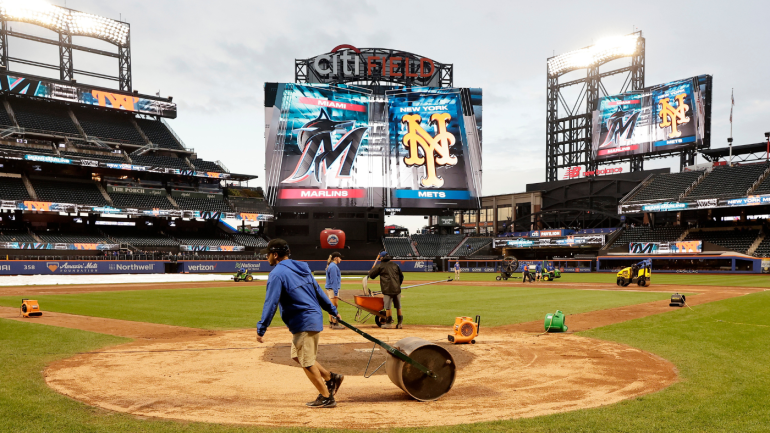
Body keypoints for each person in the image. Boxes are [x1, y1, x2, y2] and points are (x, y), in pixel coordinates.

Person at [255, 239, 344, 409]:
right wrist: (332, 310)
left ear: (275, 255)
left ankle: (327, 397)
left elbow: (271, 303)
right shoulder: (303, 269)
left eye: (267, 254)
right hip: (310, 318)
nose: (266, 257)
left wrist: (262, 328)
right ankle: (330, 377)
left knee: (307, 362)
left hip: (304, 320)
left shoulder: (277, 274)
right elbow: (318, 292)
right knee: (298, 355)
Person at [368, 251, 404, 329]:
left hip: (387, 290)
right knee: (398, 306)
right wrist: (397, 285)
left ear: (381, 257)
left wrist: (370, 271)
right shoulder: (395, 265)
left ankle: (388, 323)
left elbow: (372, 276)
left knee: (388, 307)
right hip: (397, 289)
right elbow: (401, 277)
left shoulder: (380, 266)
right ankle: (400, 324)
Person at [325, 252, 343, 330]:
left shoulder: (332, 266)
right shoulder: (333, 267)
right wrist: (336, 292)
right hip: (333, 289)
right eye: (340, 258)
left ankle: (332, 323)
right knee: (334, 307)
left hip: (331, 289)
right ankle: (335, 323)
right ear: (336, 258)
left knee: (331, 307)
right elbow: (334, 281)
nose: (341, 259)